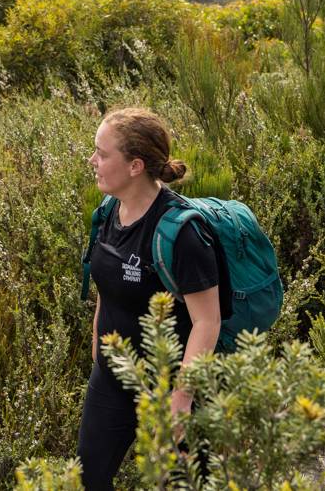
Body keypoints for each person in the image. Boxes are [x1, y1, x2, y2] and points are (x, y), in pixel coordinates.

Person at [79, 108, 221, 490]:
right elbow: (105, 287)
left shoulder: (182, 234)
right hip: (112, 377)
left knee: (182, 484)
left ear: (135, 166)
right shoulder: (109, 211)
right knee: (88, 478)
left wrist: (182, 398)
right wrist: (98, 345)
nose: (93, 161)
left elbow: (208, 322)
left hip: (170, 386)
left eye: (102, 153)